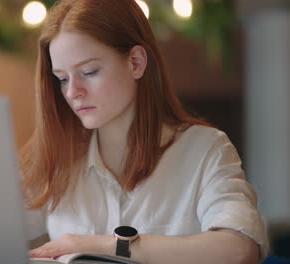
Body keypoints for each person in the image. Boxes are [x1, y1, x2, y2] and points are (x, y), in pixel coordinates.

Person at [19, 0, 269, 263]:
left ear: (136, 63)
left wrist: (101, 246)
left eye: (89, 71)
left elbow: (240, 250)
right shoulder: (55, 158)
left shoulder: (206, 150)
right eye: (62, 78)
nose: (72, 92)